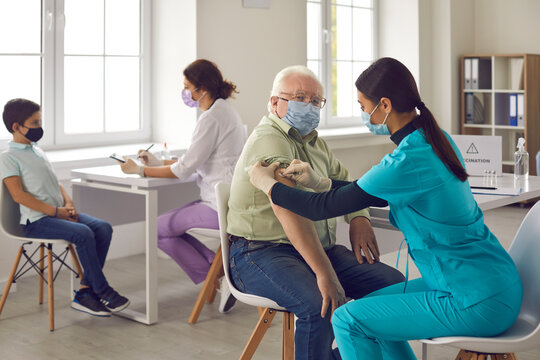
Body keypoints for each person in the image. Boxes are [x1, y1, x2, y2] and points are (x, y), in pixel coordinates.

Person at [249, 57, 523, 360]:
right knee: (376, 317)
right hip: (491, 282)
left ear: (385, 105)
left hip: (474, 299)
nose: (364, 114)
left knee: (348, 320)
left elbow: (320, 208)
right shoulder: (434, 140)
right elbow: (371, 193)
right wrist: (321, 181)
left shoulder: (408, 159)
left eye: (364, 107)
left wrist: (268, 185)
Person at [227, 65, 404, 360]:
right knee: (319, 306)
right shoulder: (270, 140)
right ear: (274, 103)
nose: (309, 106)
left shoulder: (314, 143)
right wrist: (325, 274)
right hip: (260, 252)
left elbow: (347, 184)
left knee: (393, 286)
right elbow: (289, 211)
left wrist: (358, 217)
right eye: (300, 97)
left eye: (315, 101)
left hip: (317, 249)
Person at [119, 59, 246, 313]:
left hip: (218, 206)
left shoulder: (210, 118)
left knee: (156, 228)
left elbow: (184, 169)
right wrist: (157, 162)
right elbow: (197, 159)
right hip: (230, 199)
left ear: (203, 89)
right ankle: (218, 272)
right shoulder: (224, 111)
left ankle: (218, 275)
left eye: (188, 86)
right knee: (165, 226)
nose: (185, 92)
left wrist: (141, 170)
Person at [1, 98, 130, 318]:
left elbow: (56, 183)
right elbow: (18, 195)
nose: (39, 127)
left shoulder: (37, 151)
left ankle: (85, 293)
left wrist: (68, 204)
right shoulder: (8, 157)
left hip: (59, 213)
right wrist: (55, 212)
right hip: (36, 221)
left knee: (103, 227)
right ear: (16, 127)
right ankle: (102, 290)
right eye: (35, 122)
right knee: (83, 233)